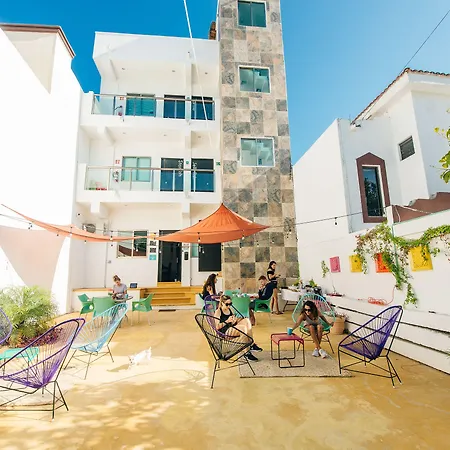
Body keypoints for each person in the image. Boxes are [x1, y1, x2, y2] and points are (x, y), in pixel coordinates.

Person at [214, 295, 262, 361]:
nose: (229, 306)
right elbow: (217, 327)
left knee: (247, 320)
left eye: (230, 304)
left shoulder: (230, 309)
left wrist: (235, 320)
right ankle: (246, 353)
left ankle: (252, 344)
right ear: (222, 303)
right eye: (227, 304)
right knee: (243, 328)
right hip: (225, 332)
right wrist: (227, 321)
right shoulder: (218, 312)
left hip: (231, 328)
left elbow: (233, 323)